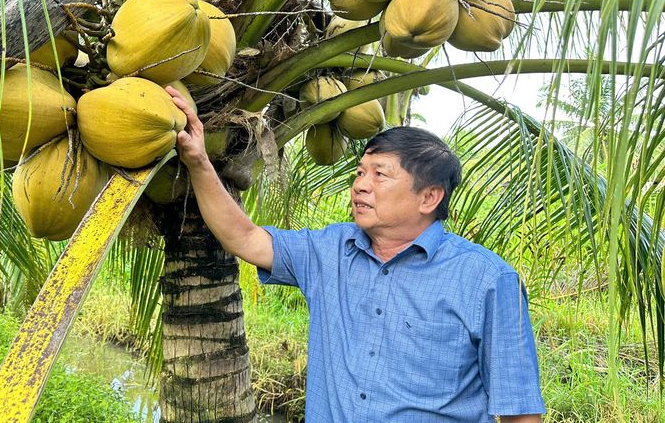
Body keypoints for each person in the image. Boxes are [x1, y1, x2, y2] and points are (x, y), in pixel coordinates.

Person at [166, 86, 546, 422]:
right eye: (360, 173)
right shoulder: (330, 250)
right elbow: (245, 238)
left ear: (429, 197)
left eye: (379, 175)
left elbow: (521, 413)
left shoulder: (487, 281)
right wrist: (198, 159)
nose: (360, 186)